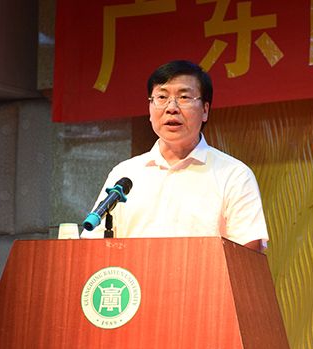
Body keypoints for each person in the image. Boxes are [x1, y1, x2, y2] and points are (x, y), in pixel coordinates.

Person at [81, 60, 268, 252]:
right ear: (150, 109)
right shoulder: (125, 174)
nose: (172, 107)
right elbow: (92, 244)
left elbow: (248, 250)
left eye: (184, 97)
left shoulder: (234, 175)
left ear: (205, 110)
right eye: (162, 97)